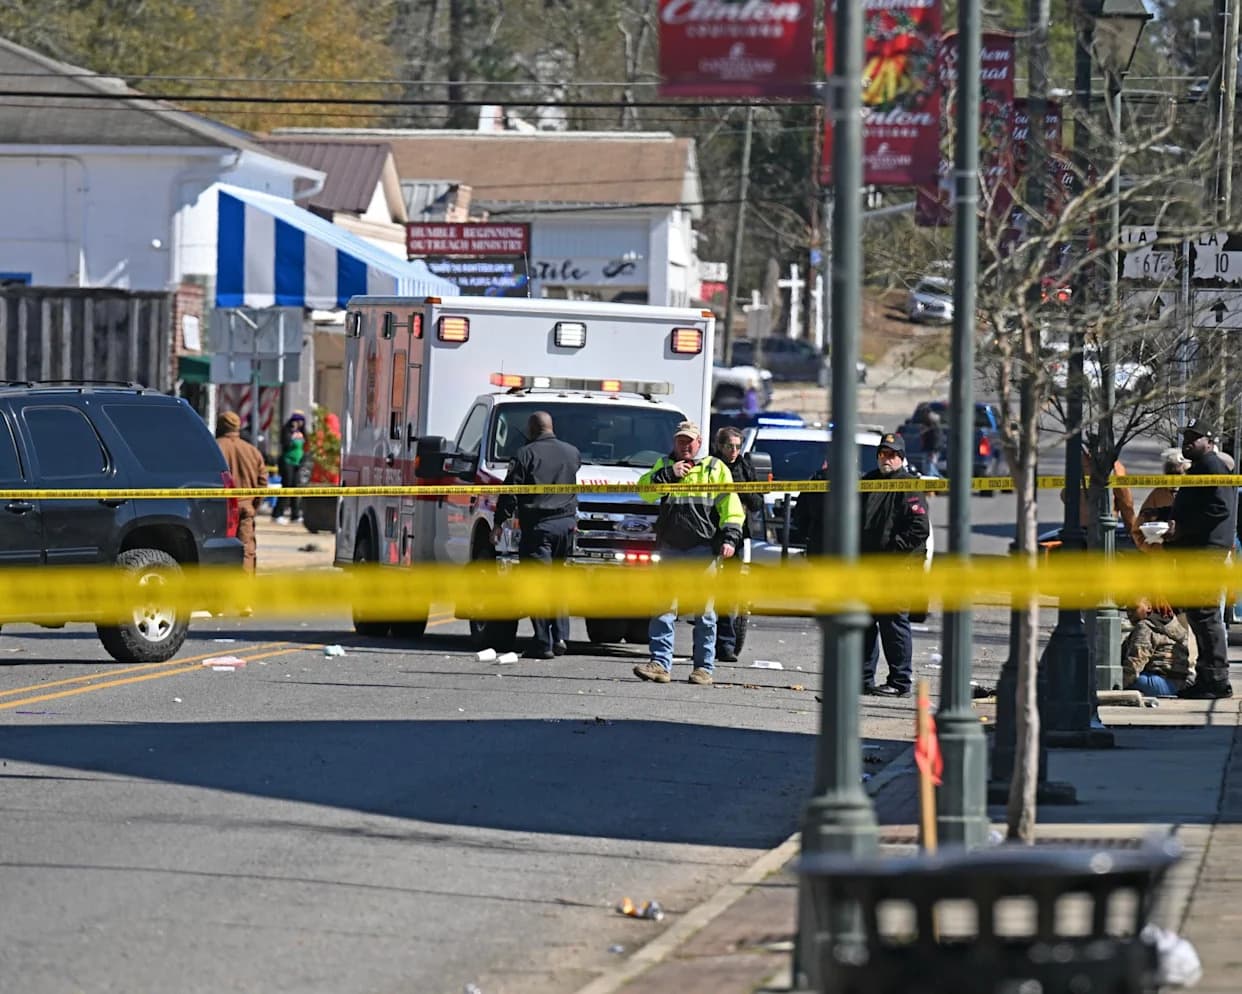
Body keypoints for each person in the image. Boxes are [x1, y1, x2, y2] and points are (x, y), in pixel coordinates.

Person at [632, 421, 743, 686]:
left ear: (699, 443)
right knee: (663, 609)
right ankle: (660, 664)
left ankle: (703, 668)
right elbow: (644, 492)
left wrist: (730, 538)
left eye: (689, 441)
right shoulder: (664, 465)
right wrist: (668, 474)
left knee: (704, 613)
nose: (684, 446)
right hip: (670, 548)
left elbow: (732, 509)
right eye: (680, 441)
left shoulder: (715, 468)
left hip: (703, 549)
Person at [491, 411, 581, 660]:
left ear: (532, 429)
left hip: (539, 527)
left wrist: (498, 523)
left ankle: (542, 642)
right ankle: (560, 636)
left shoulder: (525, 454)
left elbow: (511, 491)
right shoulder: (572, 452)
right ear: (551, 427)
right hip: (566, 527)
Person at [1166, 420, 1236, 699]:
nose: (1188, 442)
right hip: (1197, 552)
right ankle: (1208, 677)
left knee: (1206, 614)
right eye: (1186, 437)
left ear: (1209, 441)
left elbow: (1219, 509)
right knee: (1198, 613)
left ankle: (1216, 680)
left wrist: (1181, 529)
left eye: (1194, 438)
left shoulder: (1212, 466)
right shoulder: (1200, 467)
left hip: (1207, 554)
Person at [860, 432, 930, 698]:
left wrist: (892, 551)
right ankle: (863, 679)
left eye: (891, 454)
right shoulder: (868, 481)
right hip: (868, 567)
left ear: (901, 458)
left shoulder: (908, 485)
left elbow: (919, 528)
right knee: (864, 623)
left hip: (897, 568)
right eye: (882, 454)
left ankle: (900, 682)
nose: (885, 459)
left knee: (893, 624)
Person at [711, 426, 765, 662]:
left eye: (737, 446)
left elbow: (757, 503)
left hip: (737, 535)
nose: (734, 451)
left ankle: (726, 645)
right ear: (719, 446)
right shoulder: (711, 466)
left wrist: (742, 488)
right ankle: (705, 642)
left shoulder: (745, 467)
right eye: (729, 446)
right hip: (710, 533)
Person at [215, 410, 267, 605]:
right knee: (246, 552)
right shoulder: (252, 451)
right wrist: (254, 505)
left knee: (219, 551)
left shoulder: (214, 448)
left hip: (219, 509)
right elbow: (263, 482)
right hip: (245, 508)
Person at [1121, 597, 1194, 697]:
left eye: (1134, 608)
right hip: (1179, 683)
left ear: (1149, 607)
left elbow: (1135, 663)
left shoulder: (1145, 626)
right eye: (1127, 610)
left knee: (1111, 679)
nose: (1129, 613)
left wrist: (1117, 684)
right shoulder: (1170, 624)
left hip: (1159, 682)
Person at [1131, 447, 1189, 550]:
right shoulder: (1158, 494)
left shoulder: (1192, 493)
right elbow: (1138, 530)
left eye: (1178, 474)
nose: (1173, 478)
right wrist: (1153, 549)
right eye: (1169, 474)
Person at [274, 411, 309, 525]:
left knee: (295, 488)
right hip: (287, 462)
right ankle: (278, 513)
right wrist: (292, 432)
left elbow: (306, 447)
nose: (299, 423)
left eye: (301, 421)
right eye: (297, 421)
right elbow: (285, 444)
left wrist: (303, 460)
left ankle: (295, 515)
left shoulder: (302, 433)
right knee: (286, 487)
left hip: (297, 464)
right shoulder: (287, 431)